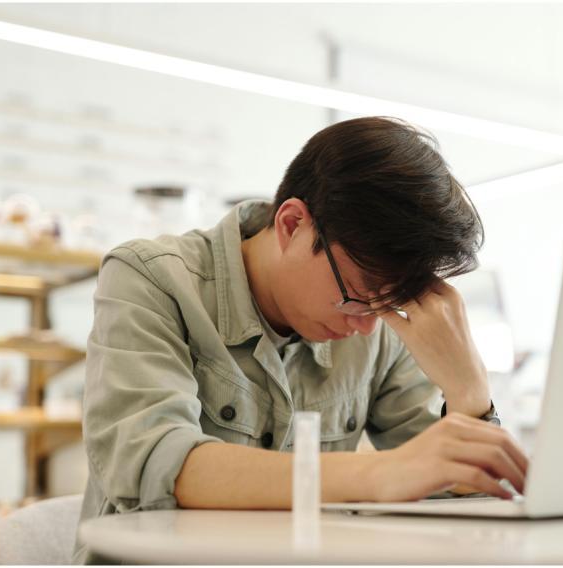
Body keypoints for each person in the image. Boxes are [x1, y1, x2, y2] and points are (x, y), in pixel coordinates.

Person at [73, 116, 529, 564]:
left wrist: (469, 390)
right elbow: (157, 466)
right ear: (292, 224)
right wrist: (382, 474)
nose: (367, 326)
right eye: (357, 293)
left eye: (386, 304)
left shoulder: (370, 322)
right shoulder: (151, 278)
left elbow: (459, 484)